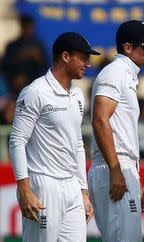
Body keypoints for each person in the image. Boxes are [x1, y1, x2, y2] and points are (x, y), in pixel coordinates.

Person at [8, 32, 100, 241]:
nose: (87, 63)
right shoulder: (35, 92)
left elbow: (77, 143)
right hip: (43, 184)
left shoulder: (77, 94)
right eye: (83, 57)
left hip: (72, 187)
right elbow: (17, 140)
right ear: (65, 56)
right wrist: (24, 188)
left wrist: (83, 191)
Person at [88, 20, 144, 241]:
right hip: (113, 165)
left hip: (121, 166)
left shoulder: (125, 74)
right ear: (128, 48)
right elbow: (100, 120)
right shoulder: (114, 72)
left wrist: (136, 181)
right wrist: (115, 169)